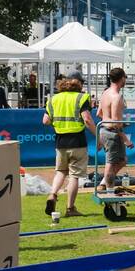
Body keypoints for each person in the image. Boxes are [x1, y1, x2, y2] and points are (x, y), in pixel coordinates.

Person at [42, 76, 97, 219]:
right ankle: (70, 208)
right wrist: (98, 137)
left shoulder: (53, 99)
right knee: (74, 176)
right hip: (77, 141)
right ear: (78, 87)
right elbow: (87, 119)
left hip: (60, 142)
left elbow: (45, 121)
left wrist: (58, 123)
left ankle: (52, 194)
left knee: (60, 172)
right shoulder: (82, 98)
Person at [97, 67, 132, 192]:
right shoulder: (116, 97)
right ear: (122, 78)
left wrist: (107, 121)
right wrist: (125, 139)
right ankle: (109, 191)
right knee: (110, 164)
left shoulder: (105, 93)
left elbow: (99, 113)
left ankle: (104, 183)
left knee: (122, 161)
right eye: (125, 78)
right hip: (111, 133)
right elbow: (116, 123)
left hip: (104, 130)